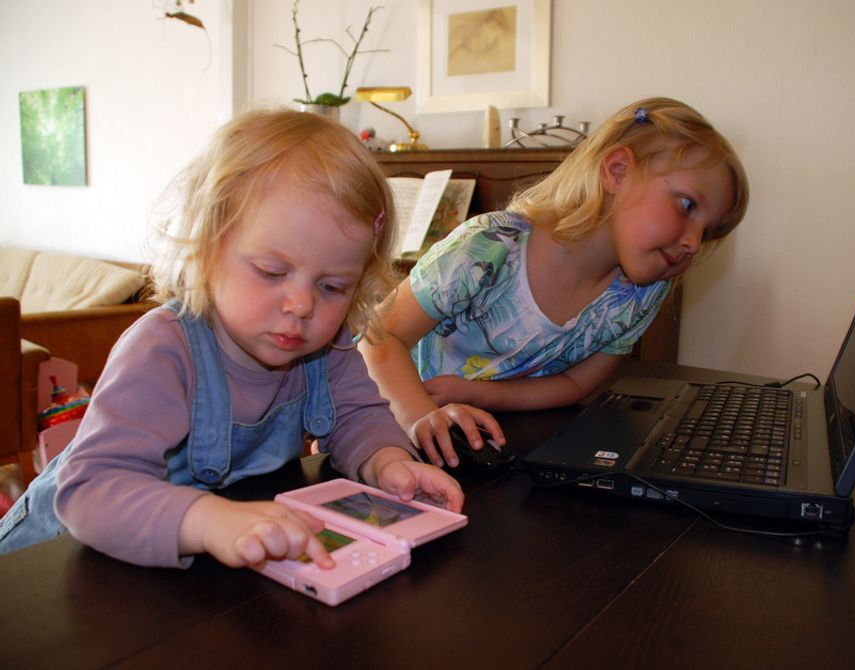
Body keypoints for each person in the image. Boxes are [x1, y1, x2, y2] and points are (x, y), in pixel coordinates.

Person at [0, 108, 463, 568]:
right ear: (207, 249)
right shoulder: (161, 349)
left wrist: (387, 462)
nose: (302, 305)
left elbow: (358, 417)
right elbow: (94, 490)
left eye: (332, 287)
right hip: (50, 563)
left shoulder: (328, 348)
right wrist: (210, 521)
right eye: (271, 272)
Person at [359, 97, 749, 469]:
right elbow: (379, 339)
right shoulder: (490, 247)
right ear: (617, 171)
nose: (693, 244)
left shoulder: (640, 296)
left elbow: (574, 384)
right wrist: (421, 418)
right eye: (687, 206)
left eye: (708, 232)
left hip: (484, 444)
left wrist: (477, 393)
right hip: (388, 423)